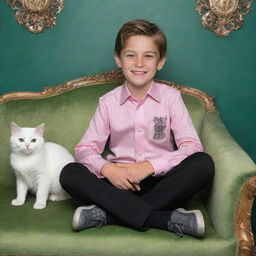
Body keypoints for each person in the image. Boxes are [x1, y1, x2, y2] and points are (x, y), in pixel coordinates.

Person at [60, 19, 215, 238]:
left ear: (160, 61)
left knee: (203, 163)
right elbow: (85, 149)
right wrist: (108, 170)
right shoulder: (108, 102)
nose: (139, 63)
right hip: (117, 185)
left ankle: (108, 215)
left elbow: (191, 146)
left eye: (148, 56)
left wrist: (149, 166)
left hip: (162, 184)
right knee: (69, 172)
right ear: (118, 59)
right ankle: (164, 219)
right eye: (131, 55)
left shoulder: (171, 98)